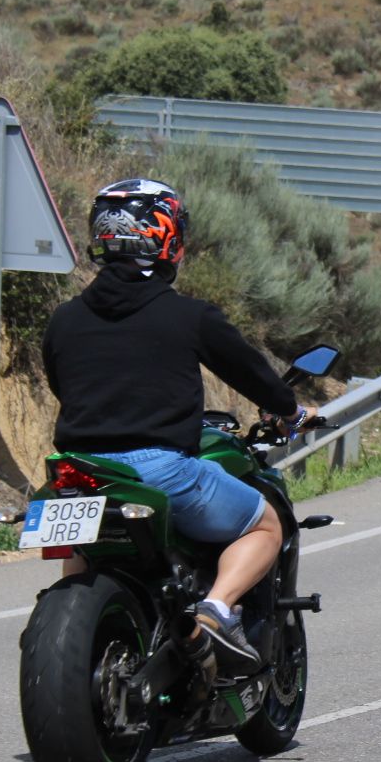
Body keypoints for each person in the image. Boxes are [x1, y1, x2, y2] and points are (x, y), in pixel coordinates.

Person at [42, 178, 313, 680]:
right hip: (158, 471)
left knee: (86, 545)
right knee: (265, 524)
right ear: (166, 237)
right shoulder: (189, 316)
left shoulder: (63, 320)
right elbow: (253, 376)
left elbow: (65, 386)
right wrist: (291, 412)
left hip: (77, 471)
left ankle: (72, 643)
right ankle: (215, 610)